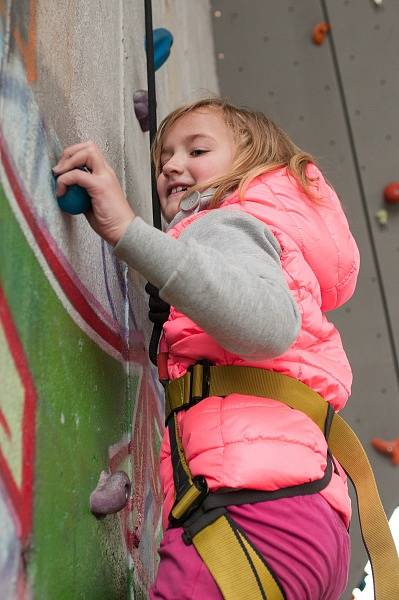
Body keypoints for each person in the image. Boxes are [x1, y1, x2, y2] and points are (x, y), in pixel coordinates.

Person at [53, 98, 359, 599]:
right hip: (298, 522)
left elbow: (268, 325)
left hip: (257, 516)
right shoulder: (268, 246)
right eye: (164, 159)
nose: (173, 165)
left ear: (249, 166)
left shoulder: (232, 221)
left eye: (197, 149)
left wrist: (127, 231)